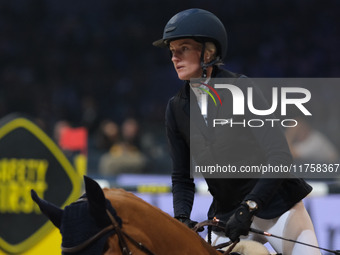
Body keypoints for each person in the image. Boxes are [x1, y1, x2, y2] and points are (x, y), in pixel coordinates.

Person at [153, 8, 320, 255]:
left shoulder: (242, 89)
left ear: (209, 52)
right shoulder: (176, 108)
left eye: (184, 48)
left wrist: (249, 207)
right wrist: (181, 218)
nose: (174, 57)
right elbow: (181, 177)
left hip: (277, 206)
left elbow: (280, 157)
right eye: (172, 51)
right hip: (227, 215)